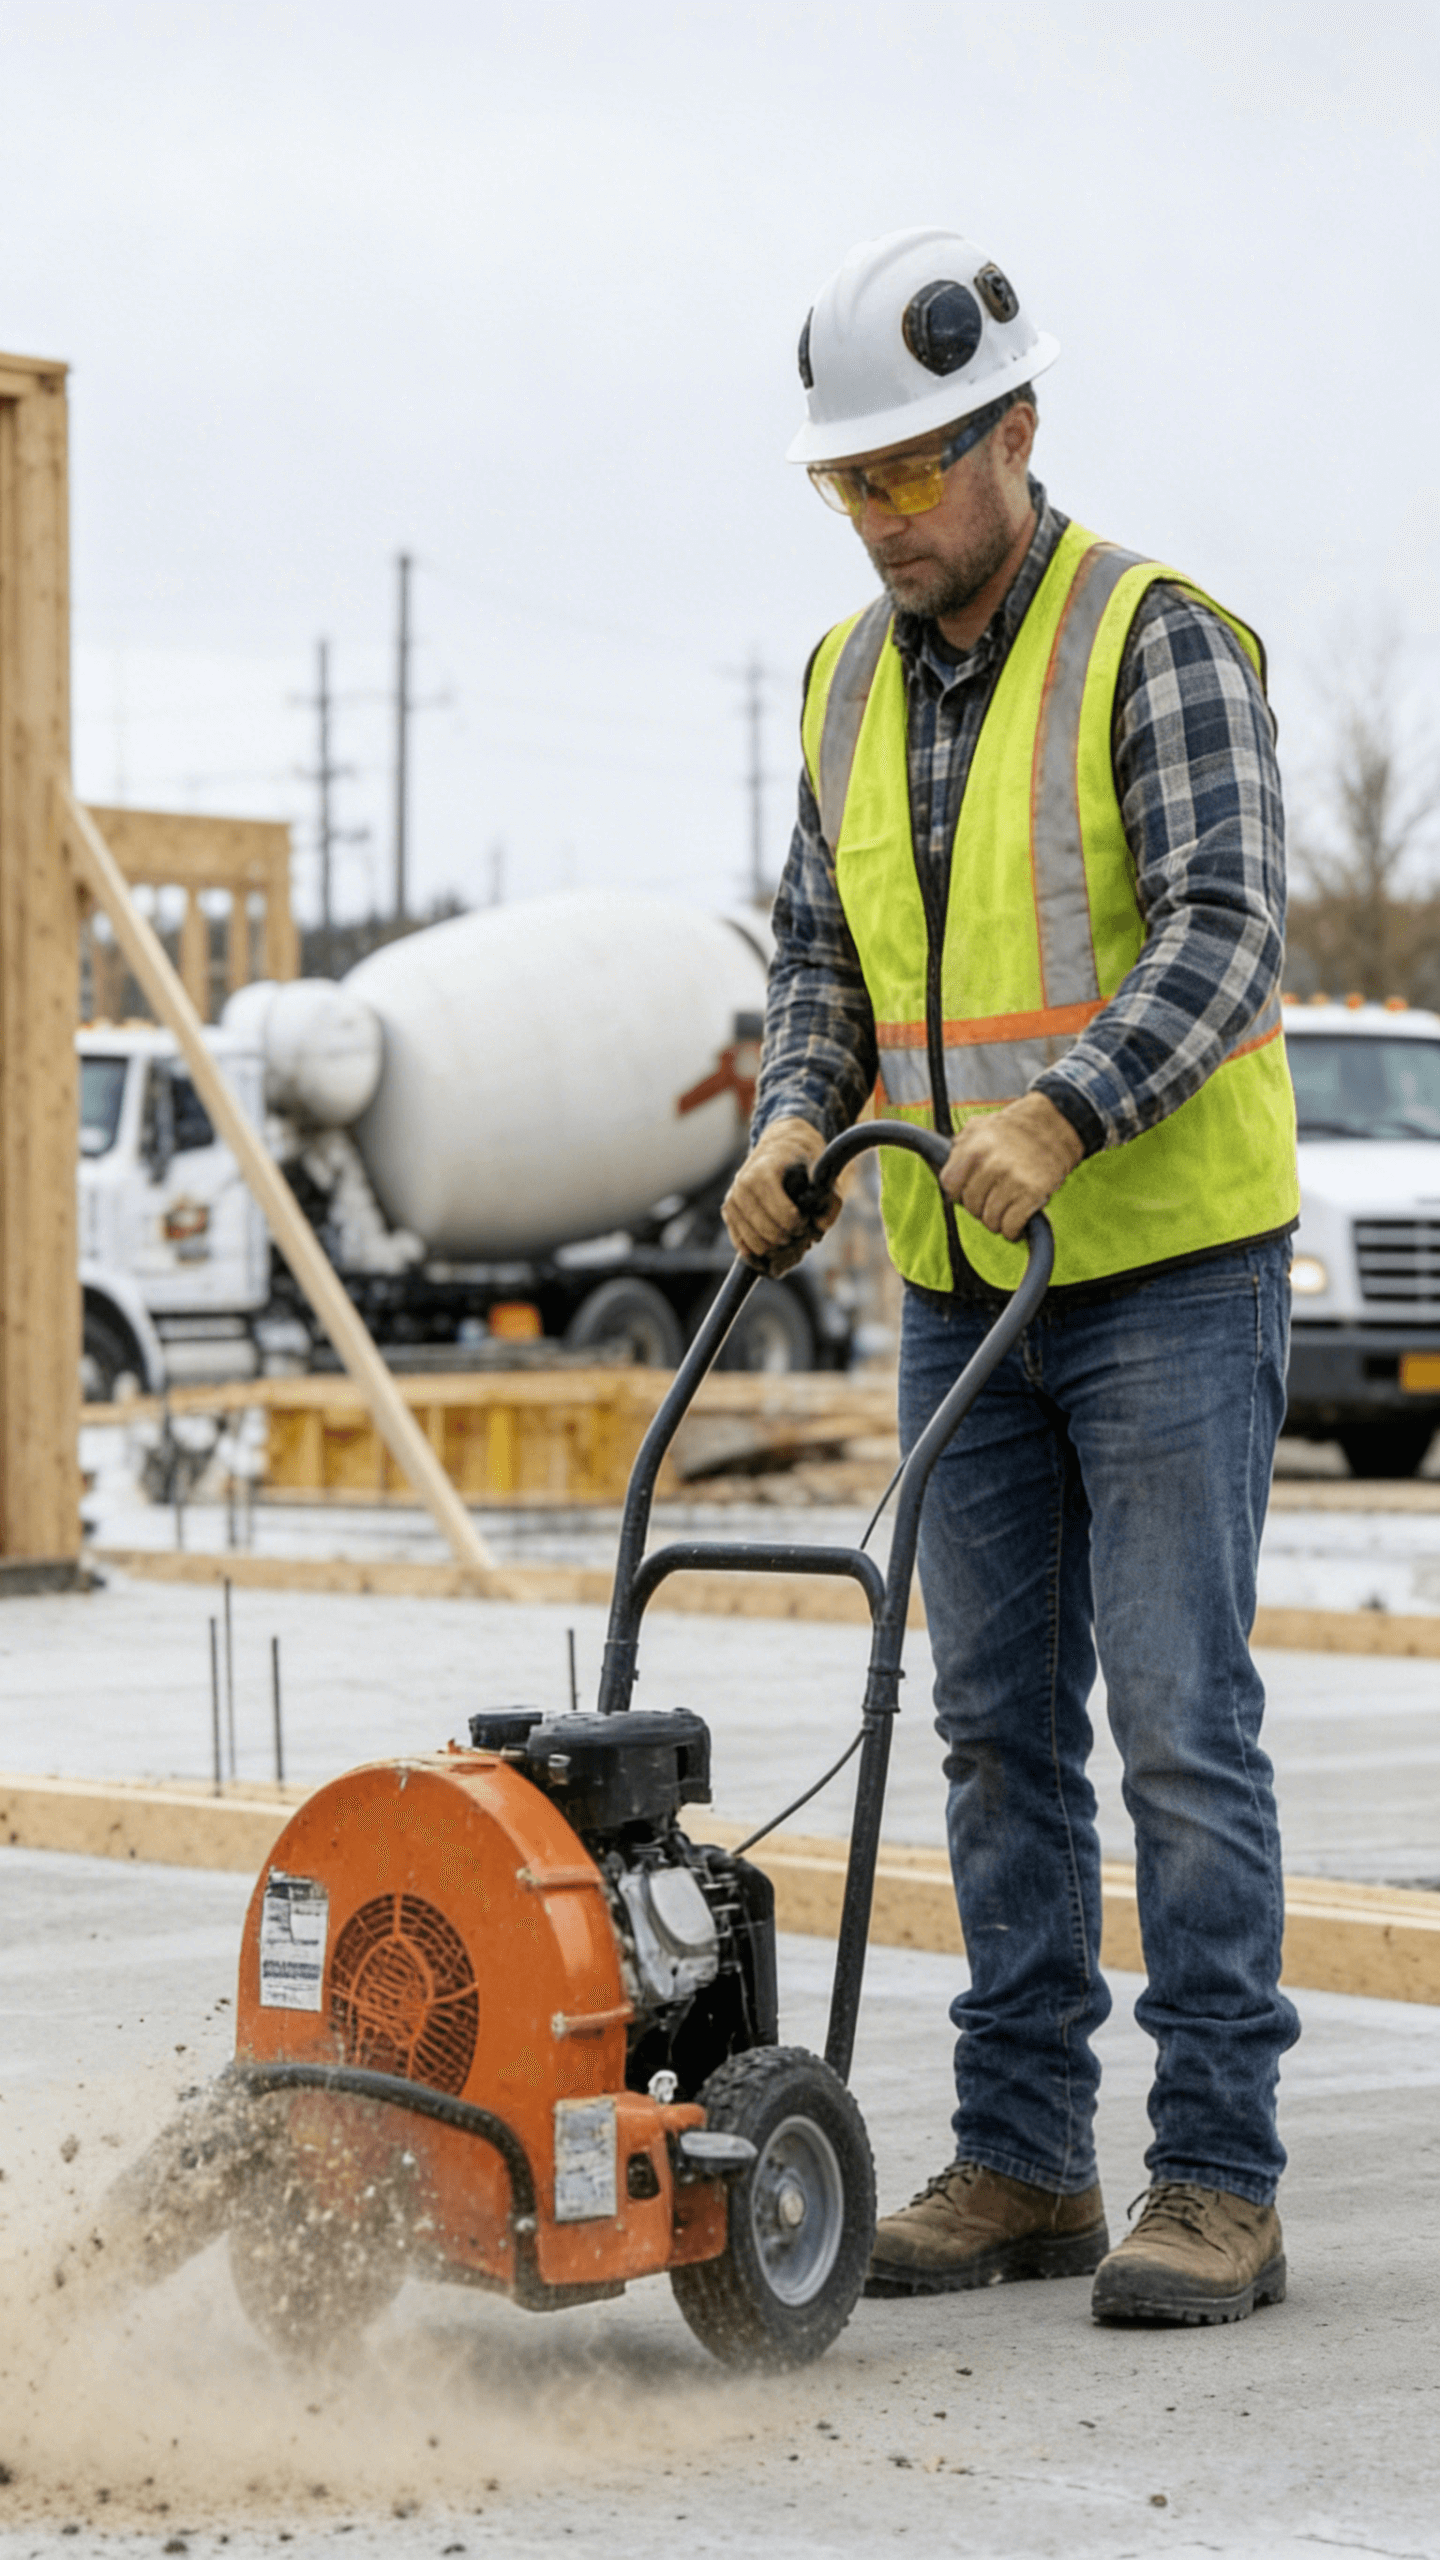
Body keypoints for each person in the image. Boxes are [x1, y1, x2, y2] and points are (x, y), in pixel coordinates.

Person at [723, 227, 1300, 2328]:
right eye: (847, 483)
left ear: (1017, 430)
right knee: (984, 1730)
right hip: (964, 1285)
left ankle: (1219, 2174)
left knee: (1173, 1721)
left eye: (910, 473)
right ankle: (1024, 2154)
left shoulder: (1152, 638)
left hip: (1157, 1267)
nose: (879, 516)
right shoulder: (840, 680)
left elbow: (1231, 923)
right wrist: (796, 1115)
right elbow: (825, 964)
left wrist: (1066, 1107)